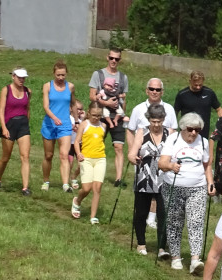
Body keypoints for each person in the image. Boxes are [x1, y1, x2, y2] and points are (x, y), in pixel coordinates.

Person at [158, 113, 214, 273]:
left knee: (196, 222)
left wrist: (210, 182)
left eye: (197, 130)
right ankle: (175, 257)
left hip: (197, 188)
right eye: (190, 129)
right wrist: (171, 166)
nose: (194, 133)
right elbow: (162, 163)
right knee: (174, 222)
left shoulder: (203, 142)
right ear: (183, 128)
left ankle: (195, 260)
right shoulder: (173, 139)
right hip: (173, 186)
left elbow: (206, 165)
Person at [127, 104, 169, 256]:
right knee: (141, 212)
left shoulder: (169, 133)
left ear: (163, 119)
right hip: (144, 175)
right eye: (153, 121)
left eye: (159, 121)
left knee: (164, 213)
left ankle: (161, 247)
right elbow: (132, 153)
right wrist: (133, 158)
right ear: (148, 119)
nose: (156, 125)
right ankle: (141, 243)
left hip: (164, 177)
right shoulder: (142, 131)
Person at [89, 48, 129, 186]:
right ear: (107, 57)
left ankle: (118, 179)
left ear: (119, 60)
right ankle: (89, 172)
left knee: (118, 147)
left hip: (116, 116)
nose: (113, 61)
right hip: (100, 115)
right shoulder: (98, 74)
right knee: (96, 144)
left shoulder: (123, 77)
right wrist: (105, 102)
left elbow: (124, 98)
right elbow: (92, 95)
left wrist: (122, 114)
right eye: (111, 58)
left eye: (116, 59)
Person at [0, 68, 33, 195]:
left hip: (23, 125)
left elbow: (27, 108)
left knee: (25, 156)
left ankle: (25, 187)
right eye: (19, 77)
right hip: (9, 125)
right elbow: (1, 110)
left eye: (24, 78)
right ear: (13, 77)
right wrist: (4, 128)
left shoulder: (28, 91)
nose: (22, 80)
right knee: (6, 157)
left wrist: (27, 122)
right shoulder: (6, 90)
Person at [40, 61, 76, 193]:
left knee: (64, 155)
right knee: (48, 155)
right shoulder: (47, 86)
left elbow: (73, 104)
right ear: (54, 73)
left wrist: (76, 121)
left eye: (63, 75)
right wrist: (54, 118)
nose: (61, 78)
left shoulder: (70, 86)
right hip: (50, 124)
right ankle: (46, 180)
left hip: (65, 125)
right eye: (58, 75)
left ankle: (66, 184)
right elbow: (45, 106)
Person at [71, 101, 108, 224]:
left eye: (98, 115)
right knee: (86, 188)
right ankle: (77, 200)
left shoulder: (103, 126)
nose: (96, 118)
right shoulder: (84, 124)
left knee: (97, 188)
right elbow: (77, 142)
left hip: (100, 159)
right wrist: (79, 154)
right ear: (88, 113)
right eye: (94, 115)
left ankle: (93, 216)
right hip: (86, 158)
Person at [127, 77, 177, 150]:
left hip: (165, 152)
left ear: (162, 92)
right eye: (151, 89)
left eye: (158, 90)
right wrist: (132, 150)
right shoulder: (138, 109)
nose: (154, 92)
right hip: (143, 152)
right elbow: (130, 131)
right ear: (147, 91)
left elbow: (174, 131)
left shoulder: (169, 109)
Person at [173, 71, 222, 139]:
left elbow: (219, 109)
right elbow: (175, 112)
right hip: (187, 132)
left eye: (200, 85)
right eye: (196, 85)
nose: (198, 87)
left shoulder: (209, 93)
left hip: (203, 133)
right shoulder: (182, 95)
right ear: (190, 81)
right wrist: (173, 128)